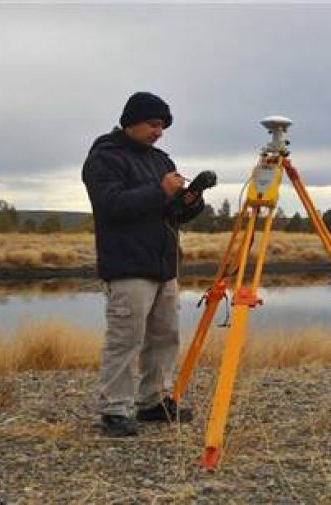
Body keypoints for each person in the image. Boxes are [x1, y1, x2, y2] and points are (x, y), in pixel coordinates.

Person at [82, 92, 205, 437]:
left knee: (165, 336)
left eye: (163, 126)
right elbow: (111, 206)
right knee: (126, 338)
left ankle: (153, 401)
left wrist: (190, 201)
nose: (159, 132)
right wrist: (159, 190)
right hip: (127, 265)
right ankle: (115, 409)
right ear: (132, 121)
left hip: (163, 265)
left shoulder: (160, 160)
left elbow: (171, 211)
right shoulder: (104, 158)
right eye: (154, 124)